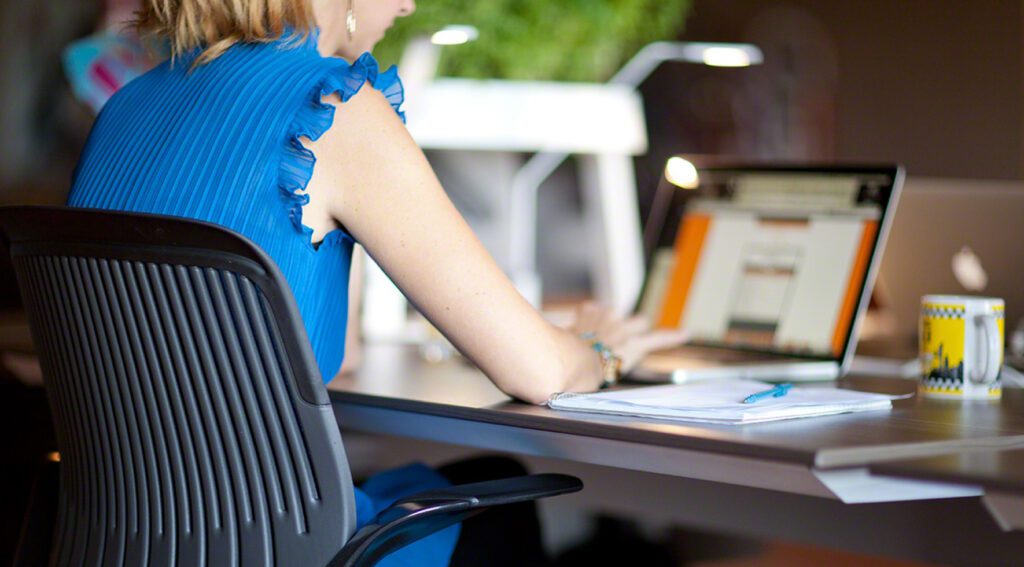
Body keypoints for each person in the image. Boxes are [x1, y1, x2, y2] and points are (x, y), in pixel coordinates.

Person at [66, 0, 687, 564]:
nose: (409, 3)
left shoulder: (126, 106)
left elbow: (331, 360)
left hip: (134, 543)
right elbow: (541, 373)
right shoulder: (333, 110)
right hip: (284, 548)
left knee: (487, 476)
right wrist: (602, 353)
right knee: (526, 510)